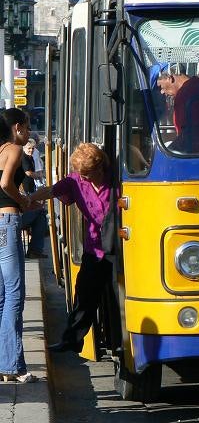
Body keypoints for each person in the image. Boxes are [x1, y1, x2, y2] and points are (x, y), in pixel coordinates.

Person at [29, 143, 113, 354]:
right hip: (94, 248)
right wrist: (27, 199)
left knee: (115, 296)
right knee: (84, 295)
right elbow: (51, 191)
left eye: (86, 173)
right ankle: (72, 341)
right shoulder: (76, 181)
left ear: (99, 168)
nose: (82, 177)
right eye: (80, 173)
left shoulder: (116, 178)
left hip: (121, 248)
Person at [0, 108, 38, 383]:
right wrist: (23, 201)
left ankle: (8, 363)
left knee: (2, 297)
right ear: (16, 128)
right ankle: (14, 367)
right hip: (8, 222)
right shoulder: (13, 149)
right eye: (26, 125)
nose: (28, 131)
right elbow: (5, 184)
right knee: (14, 295)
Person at [20, 139, 47, 259]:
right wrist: (39, 175)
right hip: (13, 214)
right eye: (29, 148)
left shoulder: (29, 158)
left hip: (26, 197)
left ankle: (35, 249)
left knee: (40, 213)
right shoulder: (24, 158)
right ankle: (35, 250)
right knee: (40, 213)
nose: (31, 150)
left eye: (33, 148)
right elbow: (28, 173)